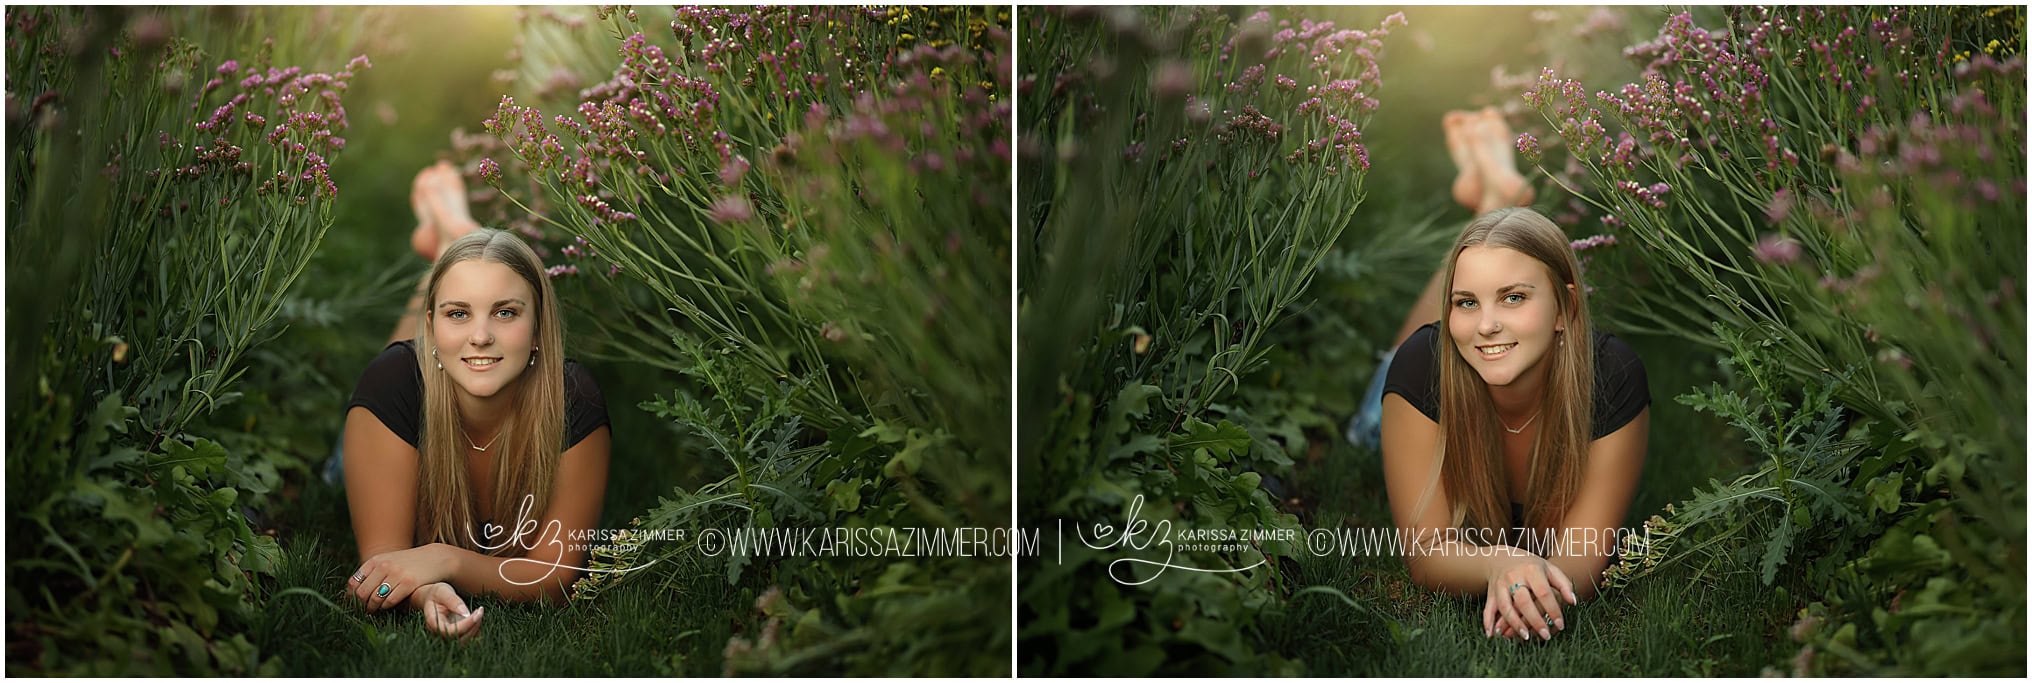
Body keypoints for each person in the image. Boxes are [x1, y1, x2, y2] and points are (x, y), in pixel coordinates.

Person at [1353, 109, 1652, 643]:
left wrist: (1528, 593)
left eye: (1514, 298)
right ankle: (1494, 205)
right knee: (1386, 379)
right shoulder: (1424, 366)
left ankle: (1495, 201)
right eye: (1465, 303)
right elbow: (1427, 556)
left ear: (1564, 309)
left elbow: (1582, 559)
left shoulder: (1612, 376)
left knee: (1473, 288)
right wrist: (1500, 565)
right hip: (1407, 397)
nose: (1486, 324)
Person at [333, 162, 613, 641]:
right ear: (433, 324)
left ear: (540, 326)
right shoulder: (390, 387)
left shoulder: (573, 402)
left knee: (457, 345)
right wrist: (424, 592)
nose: (482, 335)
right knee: (408, 362)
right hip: (387, 423)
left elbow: (554, 576)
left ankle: (455, 248)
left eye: (506, 312)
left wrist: (443, 559)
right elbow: (384, 561)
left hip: (434, 370)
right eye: (457, 313)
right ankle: (449, 249)